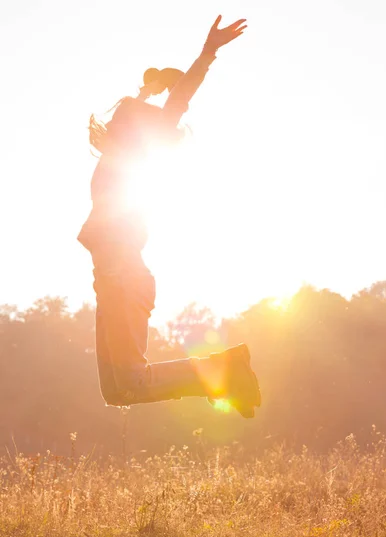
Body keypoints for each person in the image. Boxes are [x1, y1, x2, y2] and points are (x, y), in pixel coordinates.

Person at [78, 16, 261, 418]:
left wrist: (207, 53)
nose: (116, 118)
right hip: (111, 277)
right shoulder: (118, 157)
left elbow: (176, 103)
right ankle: (223, 373)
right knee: (118, 391)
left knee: (130, 382)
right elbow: (147, 105)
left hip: (123, 274)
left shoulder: (137, 154)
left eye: (124, 117)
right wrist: (148, 87)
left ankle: (227, 369)